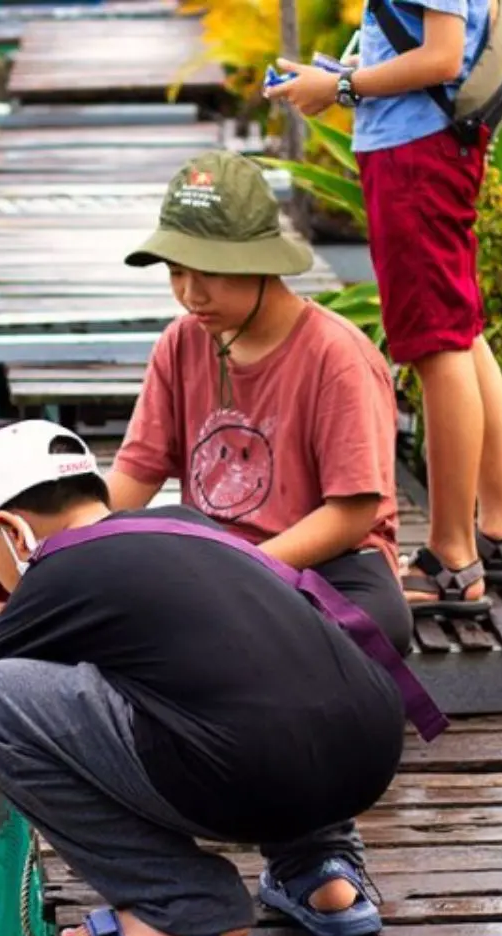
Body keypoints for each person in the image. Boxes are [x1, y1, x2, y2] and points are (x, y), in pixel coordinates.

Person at [0, 420, 410, 936]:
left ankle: (183, 907)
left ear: (15, 534)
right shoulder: (189, 526)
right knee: (249, 681)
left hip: (249, 769)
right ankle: (322, 873)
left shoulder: (52, 576)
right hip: (369, 749)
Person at [265, 0, 502, 617]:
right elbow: (434, 44)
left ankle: (452, 558)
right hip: (429, 146)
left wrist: (340, 85)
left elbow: (442, 57)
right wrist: (340, 76)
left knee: (437, 346)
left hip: (416, 155)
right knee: (462, 333)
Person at [106, 148, 412, 653]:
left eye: (209, 271)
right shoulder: (180, 343)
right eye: (176, 272)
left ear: (259, 263)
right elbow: (134, 478)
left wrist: (246, 573)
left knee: (375, 623)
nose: (189, 293)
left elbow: (352, 513)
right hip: (212, 558)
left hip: (326, 563)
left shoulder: (336, 355)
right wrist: (56, 551)